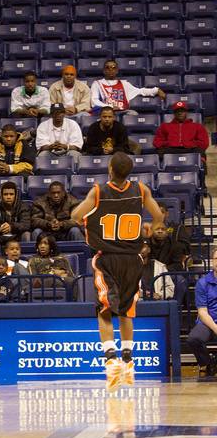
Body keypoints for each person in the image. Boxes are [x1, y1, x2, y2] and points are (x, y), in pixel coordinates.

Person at [71, 151, 165, 392]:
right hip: (133, 260)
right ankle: (128, 361)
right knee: (126, 312)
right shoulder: (142, 190)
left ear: (110, 170)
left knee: (104, 311)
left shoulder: (99, 191)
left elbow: (75, 216)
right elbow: (158, 217)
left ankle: (110, 359)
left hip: (108, 259)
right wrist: (148, 229)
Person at [90, 60, 165, 114]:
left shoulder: (124, 84)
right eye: (108, 67)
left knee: (133, 114)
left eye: (113, 68)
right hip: (105, 113)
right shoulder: (97, 84)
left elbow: (140, 91)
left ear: (117, 71)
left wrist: (156, 90)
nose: (111, 70)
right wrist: (110, 106)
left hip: (122, 112)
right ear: (104, 70)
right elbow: (94, 102)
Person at [187, 251, 217, 381]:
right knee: (193, 339)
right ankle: (208, 363)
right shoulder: (203, 283)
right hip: (208, 322)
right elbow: (202, 312)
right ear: (212, 260)